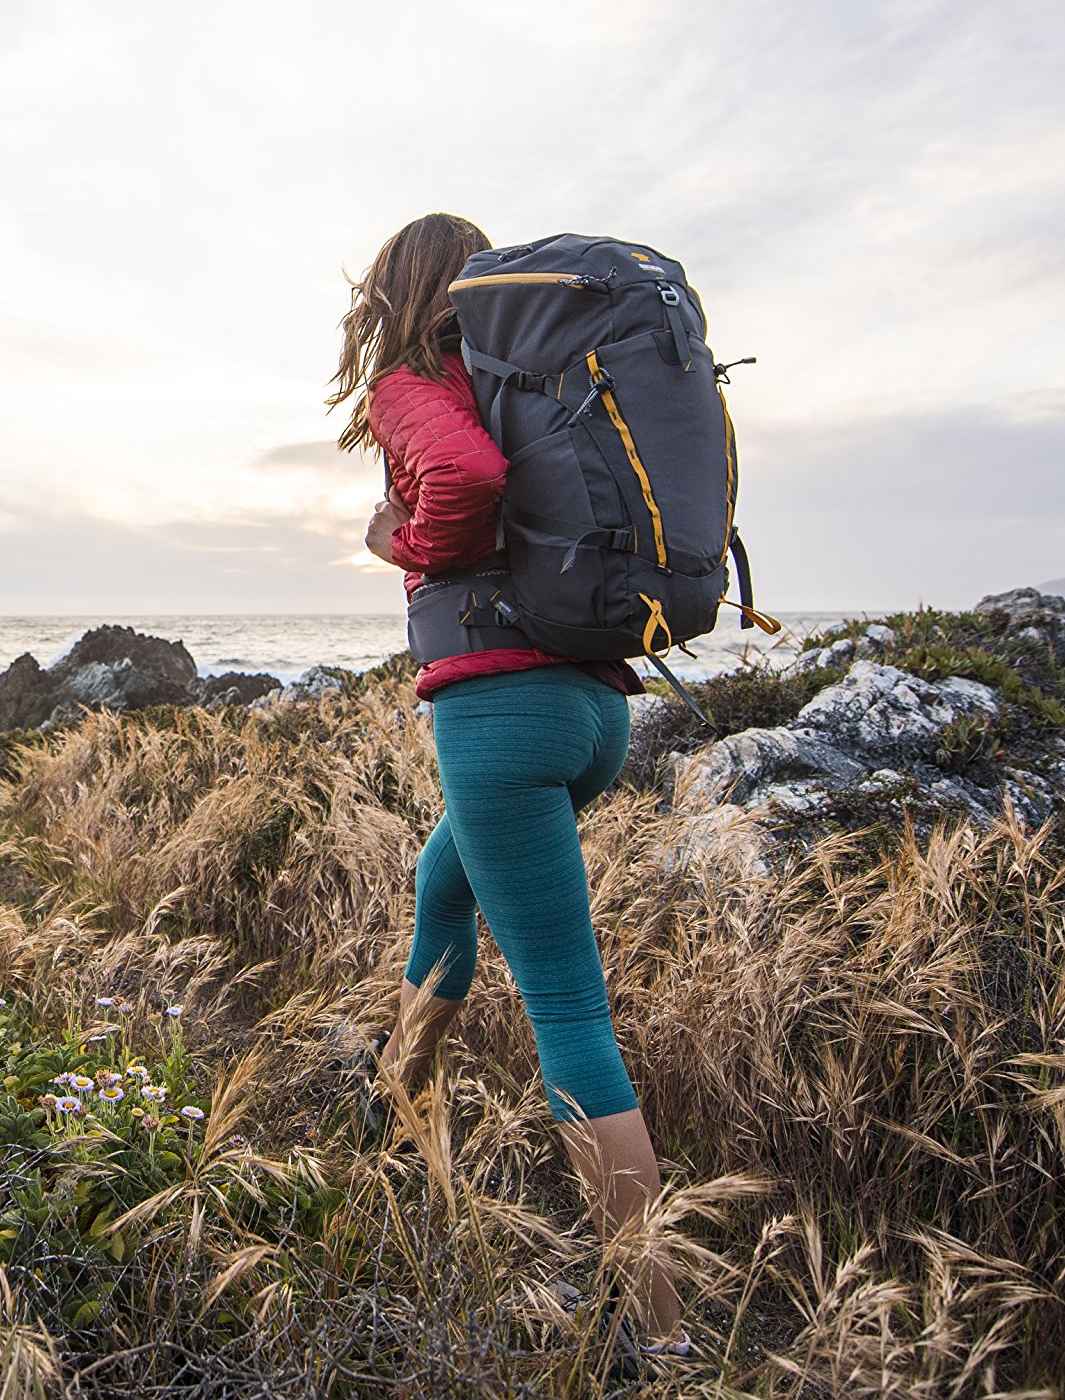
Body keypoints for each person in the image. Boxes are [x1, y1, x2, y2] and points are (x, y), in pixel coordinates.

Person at [326, 211, 691, 1362]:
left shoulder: (412, 380)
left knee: (570, 1017)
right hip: (591, 713)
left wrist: (408, 545)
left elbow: (464, 476)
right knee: (446, 879)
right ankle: (399, 1098)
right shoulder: (538, 377)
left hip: (501, 717)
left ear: (388, 293)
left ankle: (659, 1327)